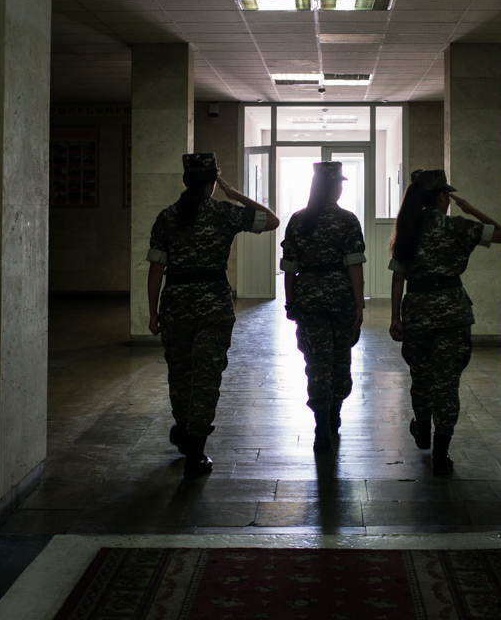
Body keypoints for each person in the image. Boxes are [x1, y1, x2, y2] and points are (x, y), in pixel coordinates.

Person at [146, 152, 278, 478]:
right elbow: (272, 221)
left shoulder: (167, 217)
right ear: (213, 181)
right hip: (213, 307)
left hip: (175, 304)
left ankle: (183, 429)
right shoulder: (223, 213)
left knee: (180, 374)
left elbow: (156, 270)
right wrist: (233, 194)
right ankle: (196, 450)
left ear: (184, 179)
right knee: (206, 377)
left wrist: (153, 312)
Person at [387, 169, 501, 475]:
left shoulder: (408, 228)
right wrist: (470, 209)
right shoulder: (458, 226)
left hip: (417, 311)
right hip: (453, 314)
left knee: (422, 377)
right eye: (447, 195)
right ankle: (441, 453)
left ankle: (423, 429)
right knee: (446, 382)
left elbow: (398, 276)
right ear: (442, 196)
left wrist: (395, 317)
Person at [281, 161, 366, 451]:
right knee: (340, 360)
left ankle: (321, 425)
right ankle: (334, 414)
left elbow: (289, 269)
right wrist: (359, 305)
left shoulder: (298, 220)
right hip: (341, 299)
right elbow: (355, 267)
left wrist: (290, 302)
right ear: (335, 186)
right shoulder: (348, 221)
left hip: (308, 300)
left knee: (316, 363)